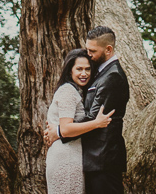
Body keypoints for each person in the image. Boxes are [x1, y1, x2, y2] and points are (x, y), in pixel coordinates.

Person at [47, 26, 130, 194]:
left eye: (92, 51)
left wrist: (60, 131)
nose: (89, 54)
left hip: (104, 158)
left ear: (108, 50)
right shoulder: (101, 74)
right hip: (92, 159)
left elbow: (94, 117)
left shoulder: (112, 76)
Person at [46, 48, 114, 194]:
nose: (84, 74)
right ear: (70, 70)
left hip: (70, 155)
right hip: (66, 158)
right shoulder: (68, 91)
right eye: (79, 69)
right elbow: (65, 129)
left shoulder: (75, 91)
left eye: (88, 69)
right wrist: (97, 123)